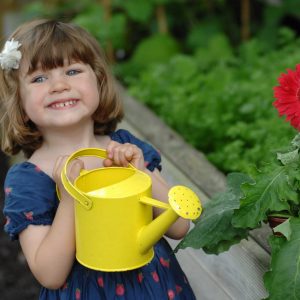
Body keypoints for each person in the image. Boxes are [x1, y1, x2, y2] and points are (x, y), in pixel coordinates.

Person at [0, 19, 196, 299]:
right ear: (18, 100)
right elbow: (50, 275)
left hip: (155, 288)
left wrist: (141, 175)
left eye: (72, 70)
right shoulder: (30, 179)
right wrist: (69, 198)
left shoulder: (126, 148)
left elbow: (178, 226)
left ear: (99, 80)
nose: (59, 85)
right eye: (39, 78)